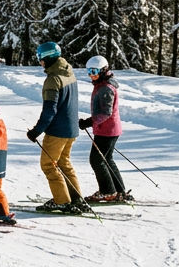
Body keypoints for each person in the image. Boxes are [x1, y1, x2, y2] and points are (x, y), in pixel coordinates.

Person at [25, 42, 90, 214]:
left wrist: (36, 131)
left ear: (47, 57)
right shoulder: (69, 72)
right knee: (64, 163)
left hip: (57, 132)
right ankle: (77, 198)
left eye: (40, 58)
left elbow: (49, 110)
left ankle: (62, 201)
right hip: (71, 129)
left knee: (48, 165)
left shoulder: (53, 80)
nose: (40, 62)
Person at [80, 55, 130, 203]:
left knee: (96, 160)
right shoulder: (102, 85)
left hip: (106, 130)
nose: (91, 75)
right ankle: (119, 191)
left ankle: (108, 192)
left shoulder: (106, 88)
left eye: (94, 71)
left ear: (103, 70)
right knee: (107, 159)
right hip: (108, 129)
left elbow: (105, 113)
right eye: (89, 72)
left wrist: (89, 122)